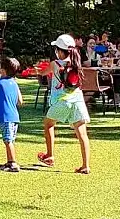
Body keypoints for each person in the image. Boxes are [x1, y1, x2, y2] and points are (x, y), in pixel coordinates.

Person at [37, 34, 91, 174]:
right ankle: (85, 165)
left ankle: (50, 155)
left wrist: (37, 69)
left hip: (62, 101)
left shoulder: (55, 64)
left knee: (49, 124)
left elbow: (43, 73)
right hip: (78, 100)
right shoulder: (76, 63)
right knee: (82, 134)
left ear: (59, 51)